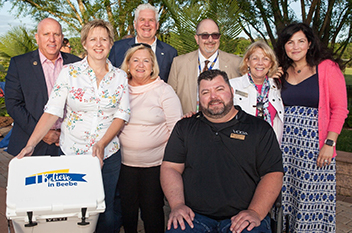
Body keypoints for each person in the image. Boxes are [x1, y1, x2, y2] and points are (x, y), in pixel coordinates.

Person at [15, 19, 130, 233]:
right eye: (93, 39)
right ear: (84, 43)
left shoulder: (120, 76)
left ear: (111, 43)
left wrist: (102, 144)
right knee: (76, 212)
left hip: (109, 155)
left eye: (103, 39)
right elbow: (52, 111)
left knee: (105, 211)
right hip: (73, 155)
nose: (98, 44)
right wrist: (31, 144)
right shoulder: (69, 72)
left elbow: (122, 115)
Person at [161, 69, 284, 233]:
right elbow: (171, 168)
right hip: (193, 217)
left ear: (232, 91)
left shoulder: (259, 129)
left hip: (244, 216)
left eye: (219, 89)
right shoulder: (185, 127)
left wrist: (256, 211)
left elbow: (273, 174)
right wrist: (177, 205)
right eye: (206, 92)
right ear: (199, 98)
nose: (213, 97)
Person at [275, 22, 349, 232]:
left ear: (309, 43)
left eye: (300, 41)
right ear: (284, 46)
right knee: (288, 197)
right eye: (290, 42)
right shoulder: (281, 71)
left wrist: (329, 143)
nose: (295, 47)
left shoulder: (327, 67)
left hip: (315, 147)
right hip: (286, 146)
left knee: (311, 199)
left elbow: (340, 109)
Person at [118, 44, 182, 233]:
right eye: (135, 60)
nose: (140, 65)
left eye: (146, 60)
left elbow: (176, 129)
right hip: (123, 164)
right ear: (128, 65)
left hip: (155, 165)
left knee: (152, 210)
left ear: (153, 66)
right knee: (127, 212)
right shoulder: (118, 88)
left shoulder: (164, 90)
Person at [5, 18, 81, 156]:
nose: (52, 39)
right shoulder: (19, 64)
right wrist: (43, 133)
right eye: (46, 34)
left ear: (62, 38)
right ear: (37, 38)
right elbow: (13, 104)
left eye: (56, 34)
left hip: (71, 144)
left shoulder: (77, 64)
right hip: (32, 146)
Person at [168, 18, 242, 114]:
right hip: (190, 125)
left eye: (215, 35)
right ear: (197, 39)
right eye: (205, 35)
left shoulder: (236, 63)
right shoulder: (179, 63)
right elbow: (169, 100)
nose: (210, 40)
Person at [230, 41, 284, 141]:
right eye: (255, 58)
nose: (260, 62)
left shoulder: (277, 87)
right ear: (247, 61)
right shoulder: (232, 85)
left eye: (265, 59)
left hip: (270, 146)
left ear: (271, 64)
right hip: (240, 145)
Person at [109, 3, 177, 82]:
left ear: (157, 25)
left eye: (151, 20)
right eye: (142, 20)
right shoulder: (118, 48)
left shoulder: (170, 53)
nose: (146, 24)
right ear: (135, 24)